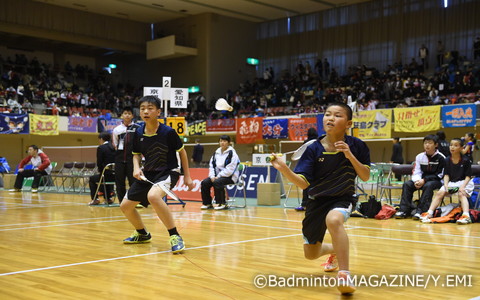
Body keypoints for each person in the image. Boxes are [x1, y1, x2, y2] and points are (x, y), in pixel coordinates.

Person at [270, 102, 370, 295]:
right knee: (311, 254)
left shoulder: (357, 146)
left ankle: (344, 275)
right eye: (327, 114)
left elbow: (365, 176)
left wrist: (349, 155)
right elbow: (303, 183)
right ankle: (335, 249)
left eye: (337, 115)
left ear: (348, 123)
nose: (330, 118)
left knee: (333, 220)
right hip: (316, 201)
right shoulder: (313, 149)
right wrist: (284, 169)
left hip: (342, 198)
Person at [120, 96, 194, 253]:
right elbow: (136, 154)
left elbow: (182, 152)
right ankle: (142, 234)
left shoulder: (168, 132)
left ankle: (175, 235)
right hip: (148, 173)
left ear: (158, 112)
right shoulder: (138, 132)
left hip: (168, 172)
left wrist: (187, 176)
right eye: (142, 108)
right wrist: (136, 168)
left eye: (150, 108)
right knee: (125, 206)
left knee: (153, 196)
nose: (146, 111)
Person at [420, 138, 474, 224]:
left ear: (461, 148)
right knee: (439, 193)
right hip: (452, 183)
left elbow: (468, 176)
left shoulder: (466, 160)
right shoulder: (447, 160)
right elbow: (446, 175)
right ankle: (429, 213)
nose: (452, 147)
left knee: (461, 193)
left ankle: (466, 216)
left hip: (464, 183)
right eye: (451, 145)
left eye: (456, 145)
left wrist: (462, 187)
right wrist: (445, 185)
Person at [395, 135, 445, 220]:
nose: (427, 145)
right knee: (407, 184)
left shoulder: (441, 158)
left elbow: (440, 175)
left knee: (428, 185)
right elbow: (416, 171)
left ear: (436, 145)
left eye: (430, 143)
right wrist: (417, 181)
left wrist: (424, 180)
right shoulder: (419, 156)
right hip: (421, 180)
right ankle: (403, 210)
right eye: (425, 143)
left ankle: (421, 211)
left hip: (436, 181)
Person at [200, 135, 240, 210]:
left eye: (224, 141)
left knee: (217, 182)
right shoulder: (216, 153)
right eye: (221, 141)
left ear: (229, 143)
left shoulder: (233, 154)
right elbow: (212, 166)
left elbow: (230, 169)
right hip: (216, 177)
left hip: (230, 177)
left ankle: (222, 203)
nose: (222, 143)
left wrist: (218, 176)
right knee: (205, 182)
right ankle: (207, 203)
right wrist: (212, 176)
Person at [112, 107, 140, 203]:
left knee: (134, 181)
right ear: (122, 115)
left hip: (132, 160)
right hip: (119, 160)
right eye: (125, 113)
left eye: (129, 113)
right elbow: (115, 144)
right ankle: (122, 201)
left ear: (132, 116)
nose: (127, 115)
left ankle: (133, 201)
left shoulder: (137, 128)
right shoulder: (117, 130)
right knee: (120, 182)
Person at [88, 132, 116, 205]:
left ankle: (95, 199)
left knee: (92, 179)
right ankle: (108, 198)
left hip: (105, 175)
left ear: (101, 139)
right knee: (104, 177)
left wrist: (101, 171)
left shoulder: (101, 148)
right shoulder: (114, 147)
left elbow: (99, 162)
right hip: (115, 176)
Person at [295, 127, 319, 211]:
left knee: (305, 186)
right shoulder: (319, 141)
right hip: (318, 167)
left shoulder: (306, 142)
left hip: (308, 168)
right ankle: (316, 205)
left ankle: (304, 204)